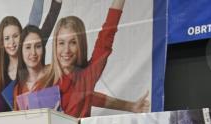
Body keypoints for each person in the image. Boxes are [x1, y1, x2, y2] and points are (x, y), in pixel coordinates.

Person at [13, 23, 148, 114]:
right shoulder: (18, 90)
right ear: (21, 50)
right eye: (28, 47)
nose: (33, 53)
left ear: (44, 49)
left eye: (38, 46)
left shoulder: (56, 75)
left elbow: (87, 95)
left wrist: (129, 106)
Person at [0, 1, 62, 113]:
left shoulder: (32, 51)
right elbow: (0, 110)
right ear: (2, 42)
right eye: (7, 38)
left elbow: (44, 21)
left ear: (22, 37)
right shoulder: (2, 74)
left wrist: (56, 3)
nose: (12, 42)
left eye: (16, 36)